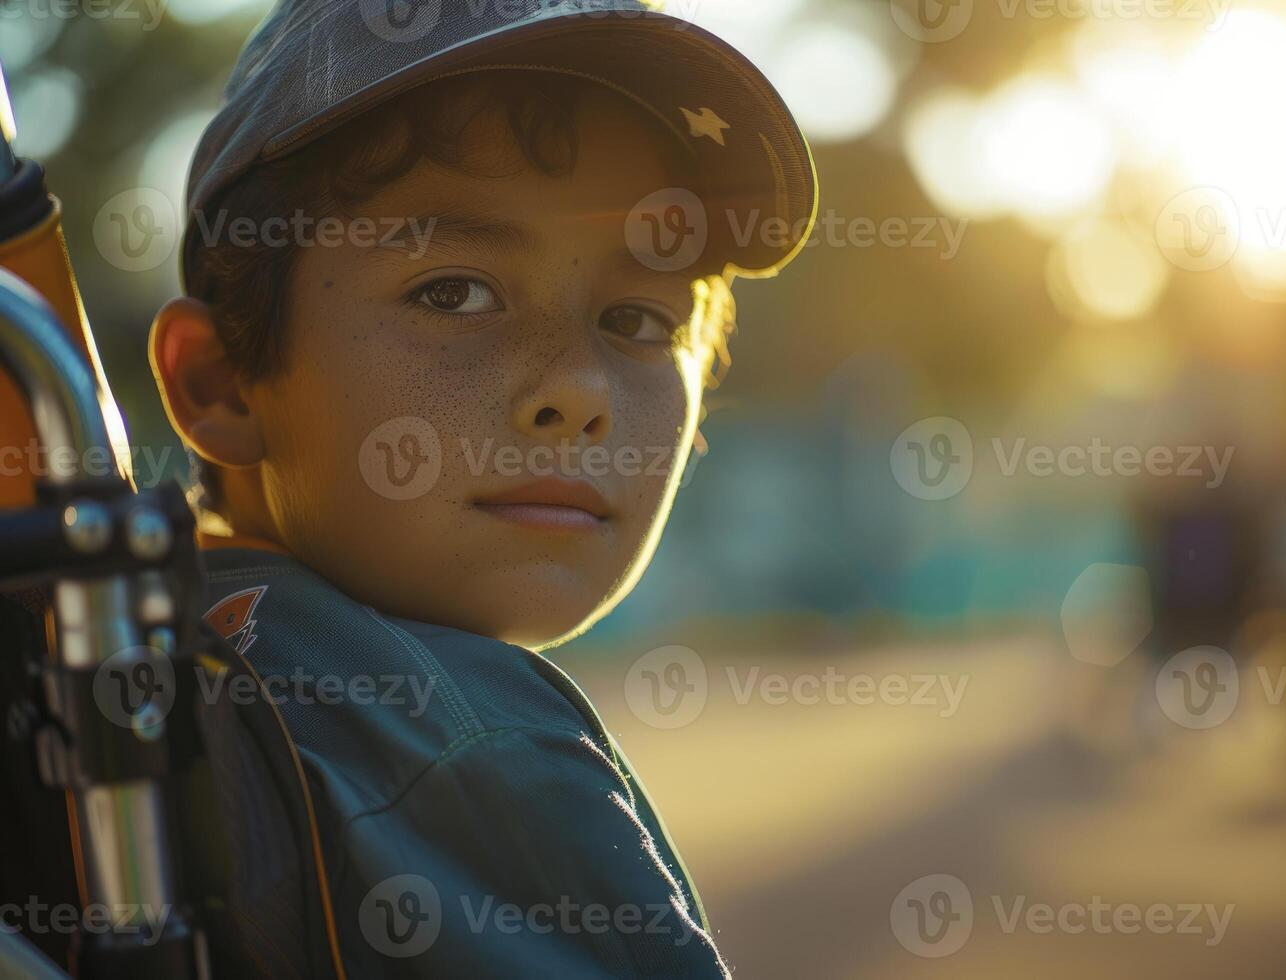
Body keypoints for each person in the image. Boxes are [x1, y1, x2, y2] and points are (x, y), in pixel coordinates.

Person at [147, 2, 816, 974]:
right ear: (218, 381)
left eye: (636, 319)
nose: (577, 391)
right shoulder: (472, 736)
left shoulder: (128, 640)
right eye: (453, 291)